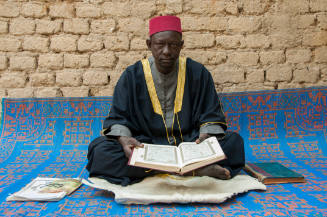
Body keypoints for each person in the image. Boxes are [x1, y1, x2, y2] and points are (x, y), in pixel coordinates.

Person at [86, 15, 245, 186]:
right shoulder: (132, 76)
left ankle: (172, 167)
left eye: (173, 45)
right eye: (160, 44)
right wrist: (124, 139)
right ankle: (192, 169)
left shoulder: (198, 73)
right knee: (100, 150)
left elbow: (210, 114)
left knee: (234, 143)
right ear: (149, 45)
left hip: (190, 145)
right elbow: (119, 117)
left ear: (181, 45)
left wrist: (207, 135)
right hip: (145, 146)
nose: (167, 51)